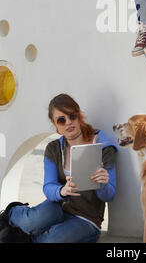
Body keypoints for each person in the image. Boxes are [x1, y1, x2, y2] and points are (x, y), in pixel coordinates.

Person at [0, 94, 117, 243]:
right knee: (31, 221)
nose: (68, 122)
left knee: (50, 241)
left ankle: (23, 236)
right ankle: (12, 213)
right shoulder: (53, 148)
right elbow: (48, 187)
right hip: (57, 207)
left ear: (79, 115)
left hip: (86, 219)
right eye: (61, 120)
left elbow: (109, 195)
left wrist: (103, 183)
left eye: (72, 116)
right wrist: (62, 191)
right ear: (56, 125)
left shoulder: (103, 147)